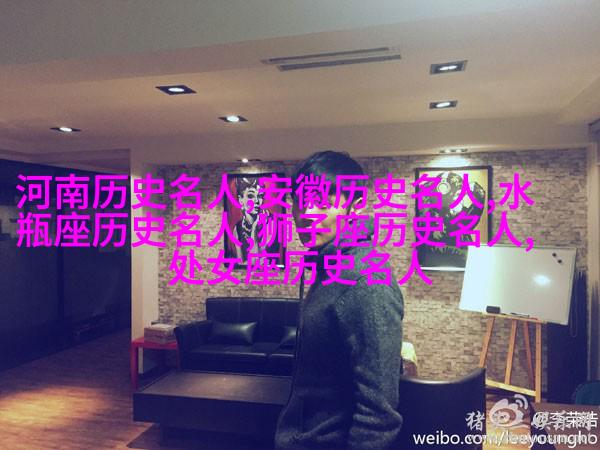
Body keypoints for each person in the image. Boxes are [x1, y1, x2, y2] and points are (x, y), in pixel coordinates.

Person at [275, 150, 404, 450]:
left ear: (356, 206)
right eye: (300, 202)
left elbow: (379, 415)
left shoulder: (366, 281)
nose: (308, 214)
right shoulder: (330, 268)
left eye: (322, 202)